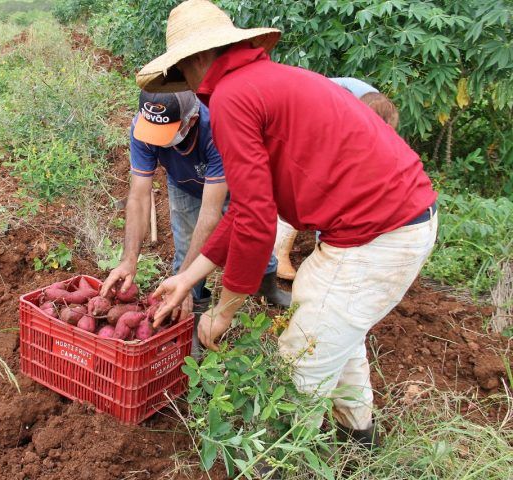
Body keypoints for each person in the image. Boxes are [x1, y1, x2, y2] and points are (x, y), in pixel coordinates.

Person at [137, 0, 438, 447]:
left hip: (376, 235)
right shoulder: (272, 80)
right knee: (334, 331)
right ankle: (360, 439)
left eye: (184, 69)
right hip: (397, 221)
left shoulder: (234, 97)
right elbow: (245, 210)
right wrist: (187, 278)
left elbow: (257, 222)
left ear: (198, 59)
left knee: (300, 363)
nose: (190, 82)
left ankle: (286, 459)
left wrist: (223, 311)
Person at [100, 90, 290, 350]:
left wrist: (186, 279)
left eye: (166, 133)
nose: (158, 140)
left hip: (235, 185)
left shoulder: (217, 128)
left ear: (190, 120)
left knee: (251, 241)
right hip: (184, 184)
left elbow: (211, 215)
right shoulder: (143, 127)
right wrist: (129, 259)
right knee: (185, 245)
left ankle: (267, 287)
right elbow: (139, 197)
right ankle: (190, 315)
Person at [275, 78, 401, 281]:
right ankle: (279, 252)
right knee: (299, 191)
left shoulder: (381, 115)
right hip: (299, 113)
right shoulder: (330, 112)